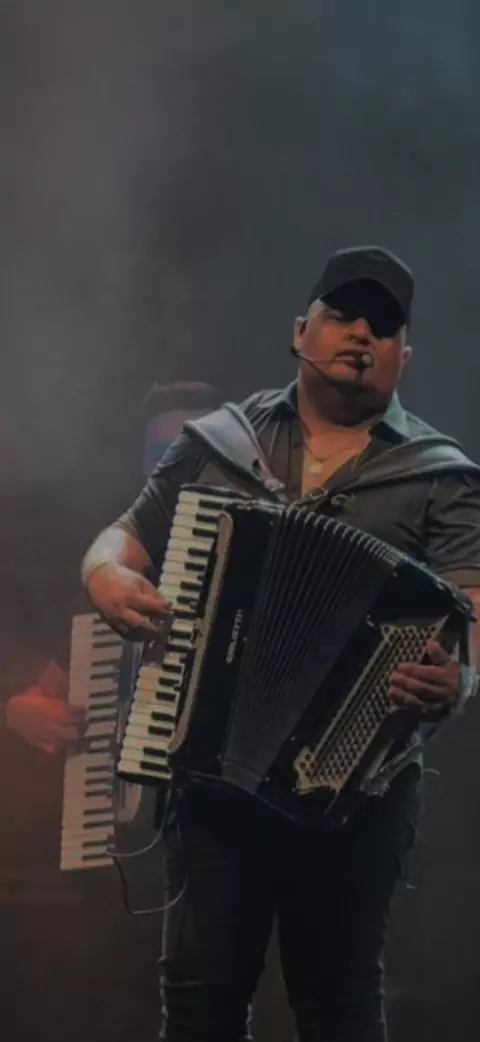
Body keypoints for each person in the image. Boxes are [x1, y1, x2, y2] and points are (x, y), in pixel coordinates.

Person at [82, 245, 480, 1042]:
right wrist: (105, 576)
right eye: (343, 315)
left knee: (339, 1005)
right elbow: (121, 538)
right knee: (199, 1001)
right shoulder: (218, 445)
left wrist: (462, 676)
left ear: (404, 356)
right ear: (301, 330)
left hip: (356, 796)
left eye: (384, 327)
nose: (361, 334)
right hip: (209, 775)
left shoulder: (439, 475)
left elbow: (472, 609)